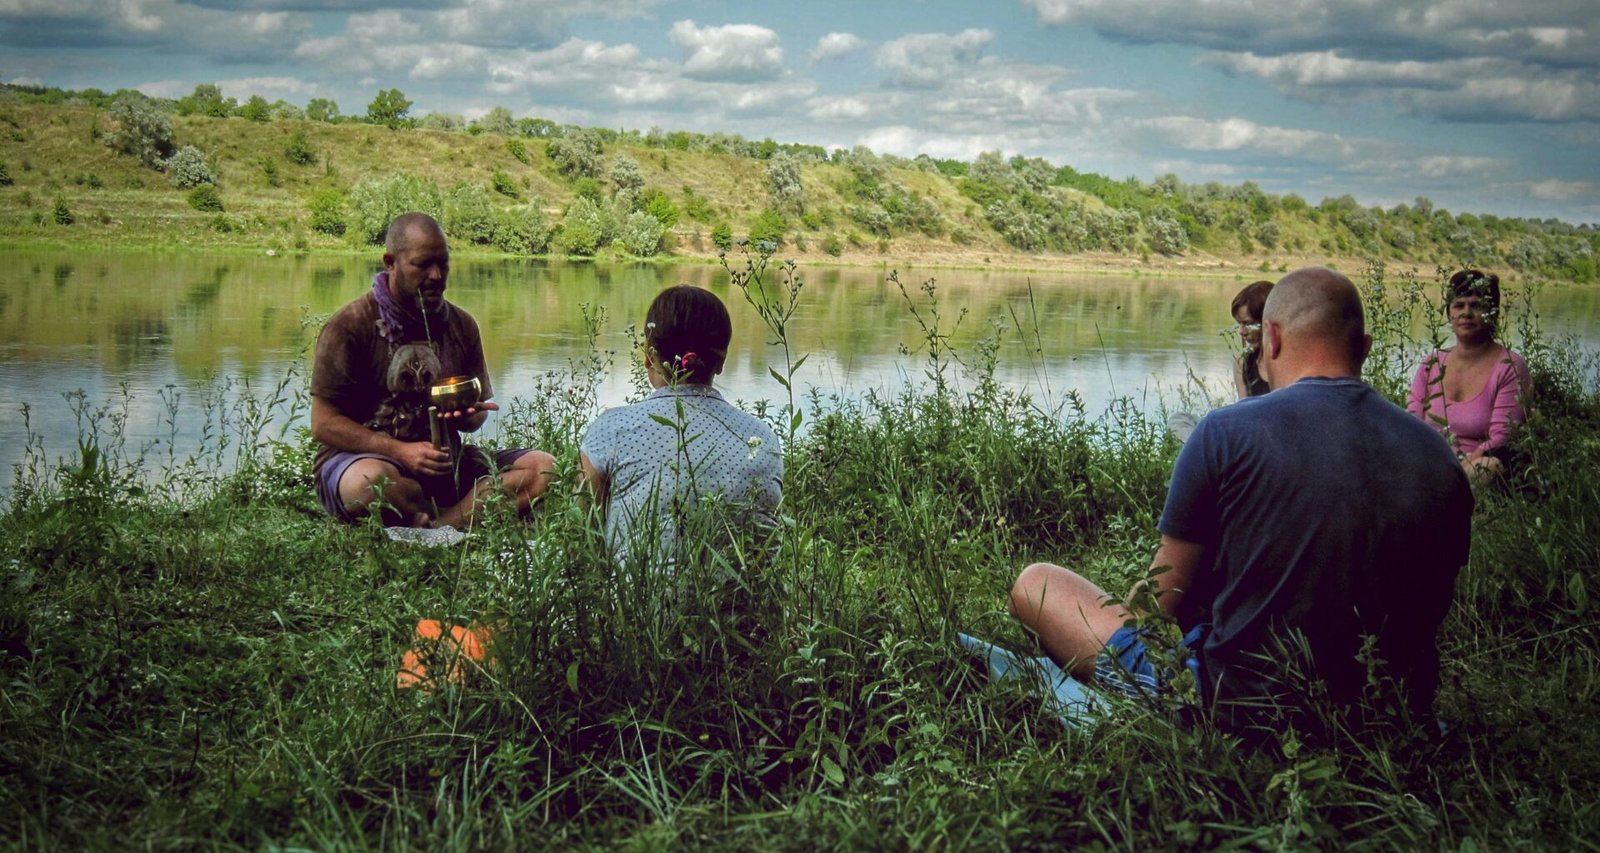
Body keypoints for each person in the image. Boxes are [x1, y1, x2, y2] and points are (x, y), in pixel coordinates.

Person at [1009, 268, 1472, 737]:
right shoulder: (1439, 456)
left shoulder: (1224, 433)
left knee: (1037, 584)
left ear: (1271, 338)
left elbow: (1158, 604)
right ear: (1365, 347)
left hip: (1239, 709)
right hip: (1389, 712)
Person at [310, 212, 555, 530]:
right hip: (365, 462)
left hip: (446, 464)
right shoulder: (350, 325)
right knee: (366, 483)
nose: (436, 275)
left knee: (544, 468)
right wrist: (400, 451)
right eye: (423, 264)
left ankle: (441, 524)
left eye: (443, 264)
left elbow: (474, 420)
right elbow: (323, 424)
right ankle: (457, 514)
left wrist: (468, 413)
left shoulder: (462, 325)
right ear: (390, 262)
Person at [579, 285, 783, 567]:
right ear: (721, 361)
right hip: (744, 596)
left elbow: (585, 538)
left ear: (649, 357)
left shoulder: (611, 430)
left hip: (639, 596)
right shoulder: (762, 439)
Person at [1407, 269, 1532, 490]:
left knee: (1489, 466)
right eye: (1458, 305)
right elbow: (1411, 422)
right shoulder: (1431, 363)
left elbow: (1501, 439)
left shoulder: (1510, 366)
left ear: (1492, 313)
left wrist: (1457, 470)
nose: (1466, 313)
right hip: (1426, 463)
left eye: (1476, 305)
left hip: (1474, 469)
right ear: (1449, 314)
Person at [1232, 280, 1274, 399]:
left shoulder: (1295, 361)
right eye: (1239, 324)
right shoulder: (1242, 363)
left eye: (1248, 324)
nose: (1242, 332)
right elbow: (1244, 407)